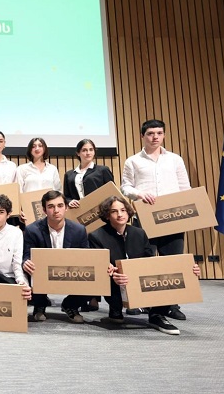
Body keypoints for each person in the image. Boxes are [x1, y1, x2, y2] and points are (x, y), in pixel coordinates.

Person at [88, 196, 201, 335]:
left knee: (166, 276)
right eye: (114, 211)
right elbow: (98, 267)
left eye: (123, 210)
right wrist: (112, 274)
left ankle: (157, 315)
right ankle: (115, 308)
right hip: (115, 284)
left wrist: (188, 270)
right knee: (110, 282)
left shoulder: (139, 233)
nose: (120, 214)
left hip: (139, 280)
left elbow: (150, 262)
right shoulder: (96, 236)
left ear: (128, 212)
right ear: (107, 215)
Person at [121, 119, 191, 321]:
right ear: (142, 136)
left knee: (172, 262)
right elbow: (125, 186)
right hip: (145, 217)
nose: (155, 137)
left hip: (173, 217)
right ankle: (142, 302)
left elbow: (184, 187)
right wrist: (140, 194)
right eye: (150, 133)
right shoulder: (133, 161)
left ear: (164, 135)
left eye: (159, 133)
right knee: (144, 261)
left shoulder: (175, 159)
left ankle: (171, 305)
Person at [22, 190, 90, 323]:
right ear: (44, 210)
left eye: (60, 206)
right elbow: (26, 255)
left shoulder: (79, 230)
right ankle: (40, 305)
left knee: (95, 276)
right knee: (27, 269)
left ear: (66, 207)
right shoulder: (32, 230)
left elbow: (87, 257)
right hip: (43, 272)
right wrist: (26, 262)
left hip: (70, 272)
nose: (56, 210)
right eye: (51, 207)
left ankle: (70, 305)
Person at [63, 138, 114, 311]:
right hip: (80, 222)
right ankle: (87, 297)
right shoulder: (70, 174)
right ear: (78, 153)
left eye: (91, 149)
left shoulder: (102, 170)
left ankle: (101, 298)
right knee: (85, 259)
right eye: (84, 150)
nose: (88, 153)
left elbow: (112, 193)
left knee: (101, 257)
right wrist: (69, 201)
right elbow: (66, 196)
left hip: (100, 220)